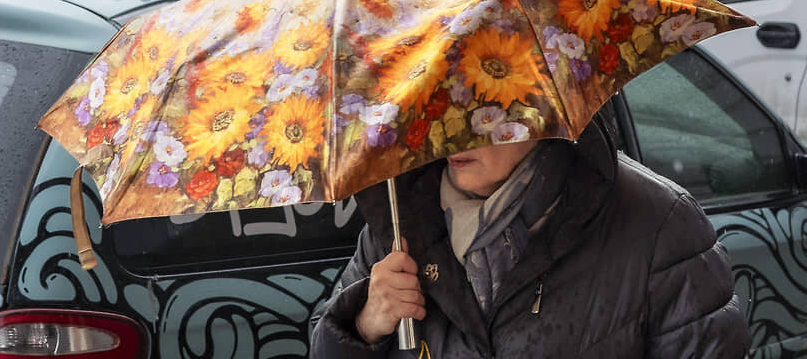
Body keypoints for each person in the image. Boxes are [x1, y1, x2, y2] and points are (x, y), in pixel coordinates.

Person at [310, 107, 749, 357]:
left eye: (479, 110)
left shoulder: (660, 226)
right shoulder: (400, 222)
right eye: (440, 109)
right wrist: (366, 324)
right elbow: (324, 348)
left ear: (536, 108)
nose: (453, 133)